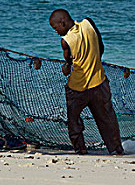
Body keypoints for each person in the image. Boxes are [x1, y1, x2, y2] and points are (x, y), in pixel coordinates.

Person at [49, 9, 123, 155]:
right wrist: (94, 62)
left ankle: (80, 149)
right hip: (99, 82)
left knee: (73, 120)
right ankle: (116, 149)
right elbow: (101, 47)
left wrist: (66, 67)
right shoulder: (89, 23)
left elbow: (69, 62)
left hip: (77, 87)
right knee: (107, 118)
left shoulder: (66, 41)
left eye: (55, 28)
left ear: (62, 22)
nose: (56, 31)